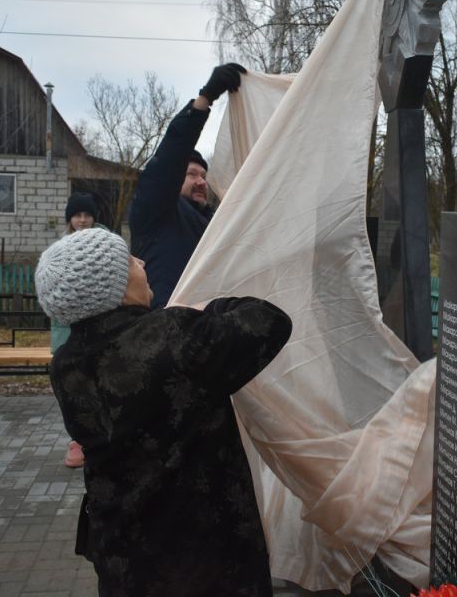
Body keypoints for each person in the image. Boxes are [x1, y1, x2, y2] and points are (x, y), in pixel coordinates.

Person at [35, 227, 291, 597]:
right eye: (129, 260)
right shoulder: (171, 334)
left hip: (122, 552)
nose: (141, 262)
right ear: (115, 288)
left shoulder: (64, 366)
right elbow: (270, 320)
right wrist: (207, 309)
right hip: (205, 559)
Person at [129, 62, 245, 309]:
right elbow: (171, 155)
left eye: (204, 175)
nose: (201, 181)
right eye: (191, 174)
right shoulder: (156, 211)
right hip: (161, 333)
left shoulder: (214, 222)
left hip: (204, 333)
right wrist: (205, 99)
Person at [49, 192, 103, 468]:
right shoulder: (60, 248)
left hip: (98, 322)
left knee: (98, 380)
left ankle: (96, 436)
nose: (82, 220)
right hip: (67, 326)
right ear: (70, 218)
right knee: (72, 384)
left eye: (87, 215)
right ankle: (77, 438)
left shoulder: (106, 245)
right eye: (77, 215)